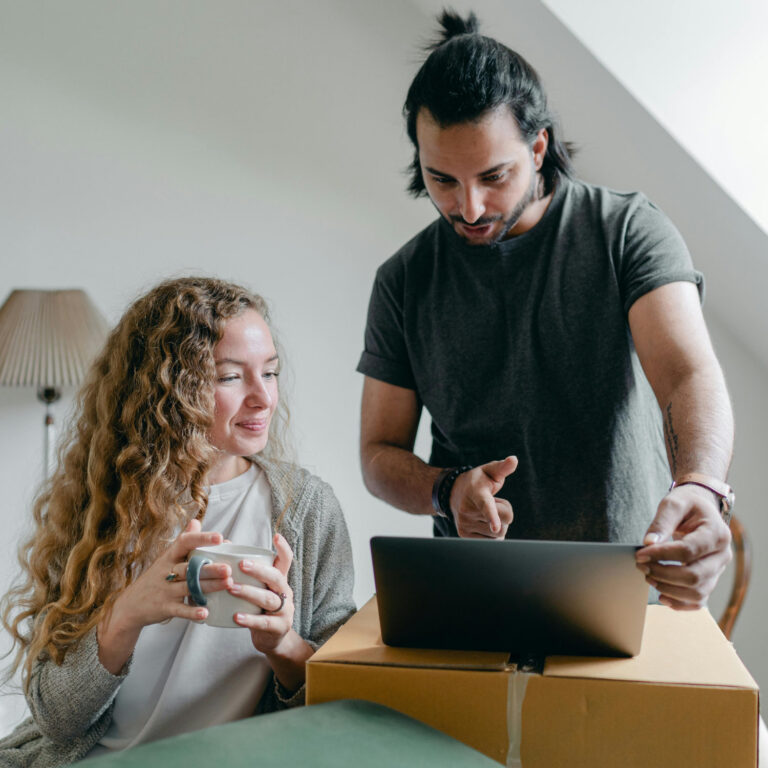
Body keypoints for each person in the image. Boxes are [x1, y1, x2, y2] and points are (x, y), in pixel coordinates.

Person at [357, 10, 734, 611]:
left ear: (538, 147)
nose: (470, 207)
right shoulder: (404, 280)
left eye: (493, 175)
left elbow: (688, 373)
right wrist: (446, 490)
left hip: (626, 588)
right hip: (472, 595)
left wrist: (700, 485)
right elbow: (378, 454)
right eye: (442, 180)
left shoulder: (627, 231)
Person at [0, 277, 355, 766]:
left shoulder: (306, 509)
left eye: (269, 373)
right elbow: (56, 720)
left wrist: (283, 644)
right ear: (168, 391)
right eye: (230, 377)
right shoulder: (103, 504)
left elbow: (346, 698)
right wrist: (125, 616)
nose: (263, 398)